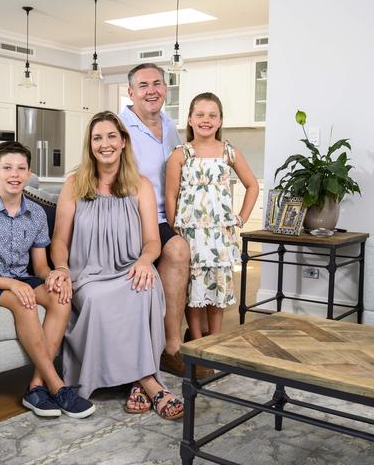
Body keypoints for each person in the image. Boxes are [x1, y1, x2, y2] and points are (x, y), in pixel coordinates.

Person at [49, 111, 184, 420]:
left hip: (127, 267)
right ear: (90, 144)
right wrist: (62, 268)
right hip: (88, 275)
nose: (105, 144)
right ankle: (148, 381)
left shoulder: (141, 185)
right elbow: (59, 241)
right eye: (97, 138)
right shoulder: (74, 185)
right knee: (98, 300)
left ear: (123, 142)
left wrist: (144, 261)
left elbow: (152, 240)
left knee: (145, 288)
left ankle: (137, 380)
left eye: (111, 136)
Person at [0, 141, 95, 419]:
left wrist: (56, 276)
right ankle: (58, 386)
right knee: (24, 302)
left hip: (23, 279)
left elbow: (40, 266)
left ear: (29, 172)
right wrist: (12, 284)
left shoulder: (35, 214)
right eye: (7, 167)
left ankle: (35, 386)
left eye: (21, 168)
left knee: (61, 296)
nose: (15, 174)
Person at [119, 63, 199, 377]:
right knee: (178, 249)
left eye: (157, 83)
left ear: (165, 89)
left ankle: (188, 340)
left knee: (197, 247)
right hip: (132, 217)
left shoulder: (169, 124)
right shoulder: (120, 126)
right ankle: (173, 347)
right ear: (131, 93)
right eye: (143, 85)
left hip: (167, 215)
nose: (151, 90)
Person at [165, 92, 259, 340]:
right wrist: (176, 230)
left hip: (219, 235)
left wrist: (241, 218)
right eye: (200, 115)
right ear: (190, 120)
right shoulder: (180, 154)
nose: (206, 120)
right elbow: (171, 195)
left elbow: (253, 185)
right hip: (190, 233)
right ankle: (196, 340)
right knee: (193, 286)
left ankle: (214, 339)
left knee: (217, 285)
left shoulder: (229, 152)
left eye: (212, 115)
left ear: (219, 121)